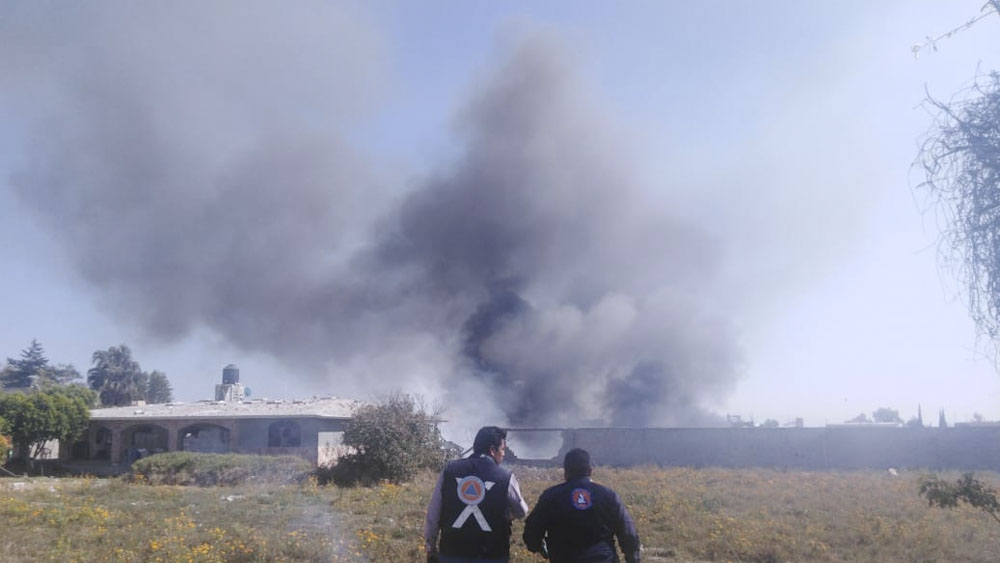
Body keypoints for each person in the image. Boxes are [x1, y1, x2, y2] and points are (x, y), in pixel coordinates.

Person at [425, 426, 529, 563]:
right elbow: (522, 511)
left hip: (452, 554)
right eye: (503, 449)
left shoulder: (449, 470)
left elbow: (434, 514)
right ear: (492, 450)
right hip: (493, 555)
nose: (504, 454)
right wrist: (509, 513)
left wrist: (430, 548)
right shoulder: (505, 477)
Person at [523, 448, 641, 563]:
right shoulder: (608, 496)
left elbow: (532, 530)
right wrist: (633, 558)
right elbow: (627, 532)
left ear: (566, 471)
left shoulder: (551, 496)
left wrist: (538, 547)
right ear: (590, 471)